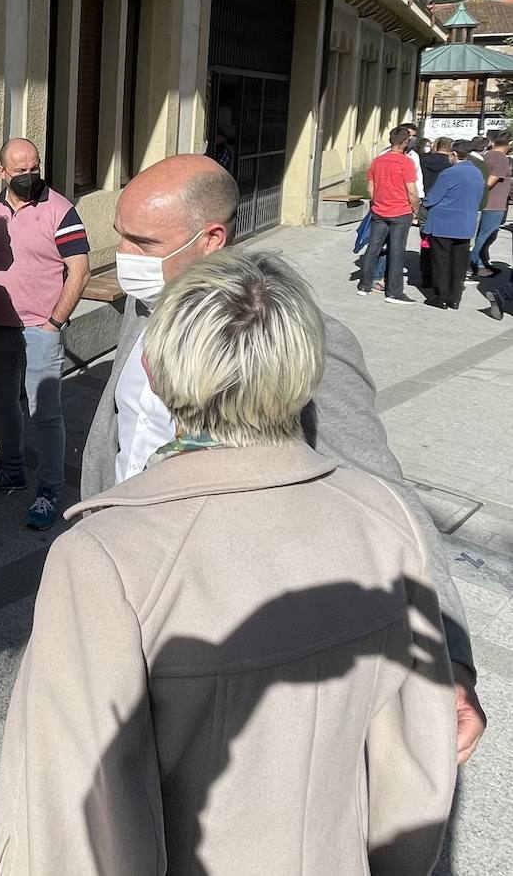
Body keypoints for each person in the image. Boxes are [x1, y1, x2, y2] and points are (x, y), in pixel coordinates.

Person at [0, 250, 457, 874]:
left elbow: (82, 808)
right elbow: (418, 770)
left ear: (154, 370)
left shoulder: (103, 554)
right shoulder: (388, 519)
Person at [82, 155, 484, 768]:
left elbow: (388, 500)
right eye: (122, 237)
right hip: (118, 574)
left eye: (142, 242)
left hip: (213, 621)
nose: (125, 256)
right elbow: (121, 430)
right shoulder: (147, 303)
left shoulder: (299, 343)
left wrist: (448, 652)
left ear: (210, 239)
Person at [0, 138, 91, 530]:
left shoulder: (61, 210)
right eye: (19, 170)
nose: (28, 175)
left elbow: (80, 270)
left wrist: (55, 322)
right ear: (2, 172)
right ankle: (11, 468)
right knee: (3, 403)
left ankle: (49, 489)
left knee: (46, 413)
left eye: (34, 166)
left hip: (42, 327)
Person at [357, 127, 419, 305]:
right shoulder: (406, 163)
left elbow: (371, 187)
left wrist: (377, 202)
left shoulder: (378, 161)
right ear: (406, 142)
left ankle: (364, 285)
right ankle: (394, 292)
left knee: (373, 248)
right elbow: (412, 191)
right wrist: (415, 209)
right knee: (396, 252)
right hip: (400, 212)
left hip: (380, 210)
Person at [422, 139, 486, 309]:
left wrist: (424, 204)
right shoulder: (477, 173)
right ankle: (454, 297)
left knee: (441, 261)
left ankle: (441, 297)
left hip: (444, 223)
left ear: (454, 154)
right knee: (459, 262)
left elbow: (434, 197)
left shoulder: (449, 173)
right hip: (466, 223)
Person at [470, 130, 510, 278]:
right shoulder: (501, 159)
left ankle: (482, 261)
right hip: (495, 204)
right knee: (486, 236)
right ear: (509, 144)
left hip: (485, 203)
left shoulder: (486, 156)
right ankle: (474, 263)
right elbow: (489, 182)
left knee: (481, 235)